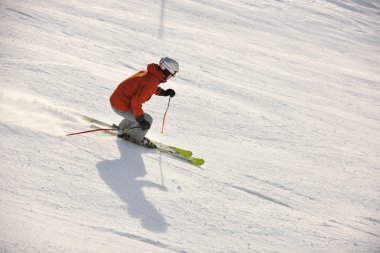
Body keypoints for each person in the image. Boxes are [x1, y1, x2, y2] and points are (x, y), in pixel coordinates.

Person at [109, 57, 178, 147]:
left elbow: (146, 88)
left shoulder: (150, 74)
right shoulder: (152, 81)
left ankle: (122, 129)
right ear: (166, 71)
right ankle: (134, 137)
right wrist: (141, 120)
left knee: (137, 114)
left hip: (118, 100)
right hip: (120, 105)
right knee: (146, 119)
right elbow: (136, 102)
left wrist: (164, 92)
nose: (172, 77)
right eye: (172, 74)